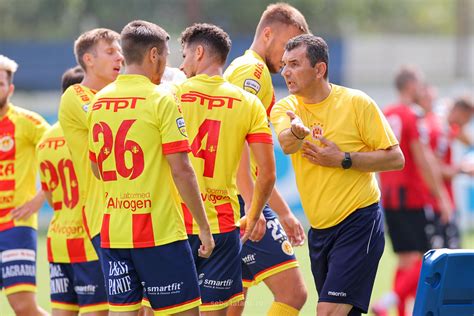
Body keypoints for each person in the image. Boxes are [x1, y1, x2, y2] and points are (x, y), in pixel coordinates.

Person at [270, 35, 405, 316]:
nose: (286, 72)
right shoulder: (286, 107)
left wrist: (344, 159)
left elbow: (395, 158)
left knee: (328, 310)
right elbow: (286, 143)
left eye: (295, 64)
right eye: (284, 65)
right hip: (319, 231)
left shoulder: (357, 103)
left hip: (359, 221)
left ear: (319, 69)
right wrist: (297, 131)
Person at [87, 20, 214, 315]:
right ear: (154, 55)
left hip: (114, 234)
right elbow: (182, 170)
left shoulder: (99, 101)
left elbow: (97, 168)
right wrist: (204, 228)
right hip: (159, 233)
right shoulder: (162, 98)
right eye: (167, 56)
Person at [176, 23, 276, 315]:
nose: (182, 65)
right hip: (222, 223)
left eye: (184, 56)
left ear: (199, 52)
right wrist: (254, 215)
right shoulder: (249, 103)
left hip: (173, 223)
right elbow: (267, 173)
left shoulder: (172, 94)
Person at [223, 3, 309, 314]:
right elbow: (235, 148)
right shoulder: (253, 72)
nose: (288, 57)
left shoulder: (243, 68)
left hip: (240, 200)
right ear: (268, 33)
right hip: (243, 202)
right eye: (287, 45)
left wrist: (283, 212)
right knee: (294, 294)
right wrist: (254, 208)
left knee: (233, 302)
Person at [373, 67, 453, 316]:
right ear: (410, 86)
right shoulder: (412, 116)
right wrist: (440, 196)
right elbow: (422, 159)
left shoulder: (385, 113)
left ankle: (399, 311)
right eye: (419, 84)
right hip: (413, 197)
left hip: (390, 197)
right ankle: (388, 301)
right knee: (424, 257)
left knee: (406, 259)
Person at [35, 67, 108, 315]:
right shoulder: (82, 137)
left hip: (57, 239)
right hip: (88, 240)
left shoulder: (45, 139)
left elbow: (49, 193)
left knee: (62, 311)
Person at [58, 28, 124, 260]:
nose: (120, 57)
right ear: (89, 60)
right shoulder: (76, 93)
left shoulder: (121, 95)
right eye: (110, 51)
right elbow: (111, 122)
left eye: (120, 51)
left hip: (134, 211)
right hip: (104, 216)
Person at [0, 55, 50, 315]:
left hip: (14, 227)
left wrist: (42, 196)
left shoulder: (27, 122)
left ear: (10, 89)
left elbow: (61, 150)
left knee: (23, 307)